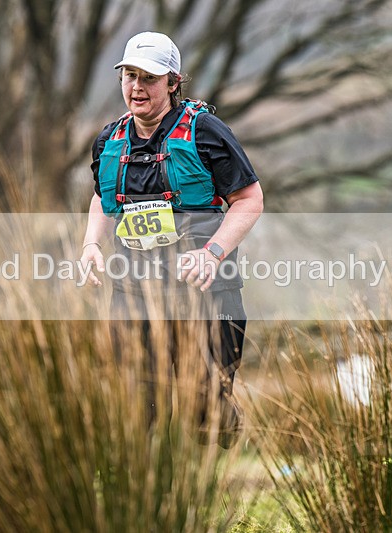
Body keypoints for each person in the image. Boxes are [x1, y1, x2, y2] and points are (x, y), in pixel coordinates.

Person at [79, 31, 264, 448]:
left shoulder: (207, 132)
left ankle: (220, 420)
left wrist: (212, 252)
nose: (137, 87)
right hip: (135, 291)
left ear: (173, 82)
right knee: (139, 406)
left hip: (205, 290)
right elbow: (102, 199)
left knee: (204, 410)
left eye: (149, 78)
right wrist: (91, 244)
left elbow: (250, 200)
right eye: (129, 76)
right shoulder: (108, 140)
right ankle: (149, 505)